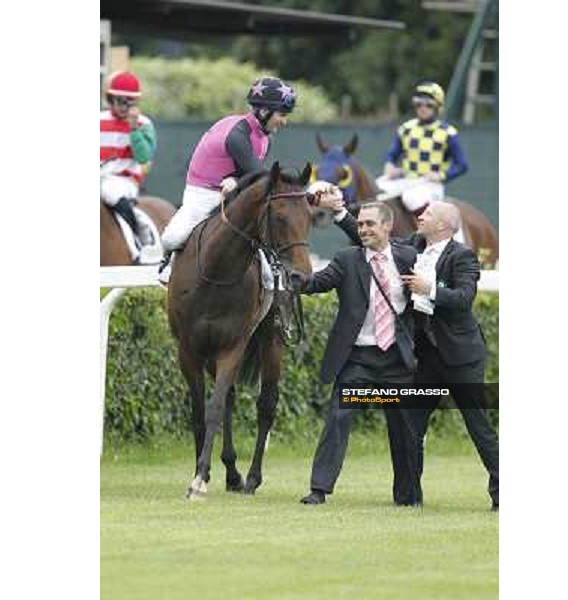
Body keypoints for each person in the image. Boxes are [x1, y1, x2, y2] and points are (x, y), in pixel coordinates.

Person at [328, 199, 499, 511]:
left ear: (444, 226)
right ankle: (409, 497)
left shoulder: (463, 257)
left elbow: (463, 298)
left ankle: (502, 492)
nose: (420, 216)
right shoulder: (414, 245)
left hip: (462, 358)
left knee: (478, 426)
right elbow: (373, 238)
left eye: (428, 214)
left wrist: (428, 288)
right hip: (427, 360)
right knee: (411, 425)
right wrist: (340, 214)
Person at [293, 202, 422, 507]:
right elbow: (318, 283)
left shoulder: (408, 258)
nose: (363, 229)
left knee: (404, 426)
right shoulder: (347, 260)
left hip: (397, 362)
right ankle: (319, 489)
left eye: (369, 224)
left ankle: (408, 496)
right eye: (360, 224)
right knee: (339, 417)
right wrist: (293, 279)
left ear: (387, 226)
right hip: (359, 361)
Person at [158, 76, 298, 284]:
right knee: (171, 238)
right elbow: (260, 175)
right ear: (263, 111)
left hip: (236, 192)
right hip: (204, 193)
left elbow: (253, 175)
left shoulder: (267, 138)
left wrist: (236, 181)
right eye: (282, 114)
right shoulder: (237, 134)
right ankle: (168, 263)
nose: (284, 121)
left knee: (267, 253)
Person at [378, 81, 468, 219]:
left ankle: (425, 235)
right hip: (406, 180)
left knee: (411, 198)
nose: (422, 108)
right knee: (377, 192)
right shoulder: (406, 129)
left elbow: (462, 165)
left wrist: (442, 175)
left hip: (430, 184)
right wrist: (390, 165)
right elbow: (392, 155)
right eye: (418, 104)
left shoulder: (448, 133)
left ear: (437, 106)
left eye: (428, 105)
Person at [100, 71, 157, 255]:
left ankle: (139, 236)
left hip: (124, 180)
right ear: (110, 99)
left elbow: (143, 157)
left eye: (129, 101)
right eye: (120, 100)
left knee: (110, 191)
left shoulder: (144, 124)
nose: (124, 106)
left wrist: (133, 129)